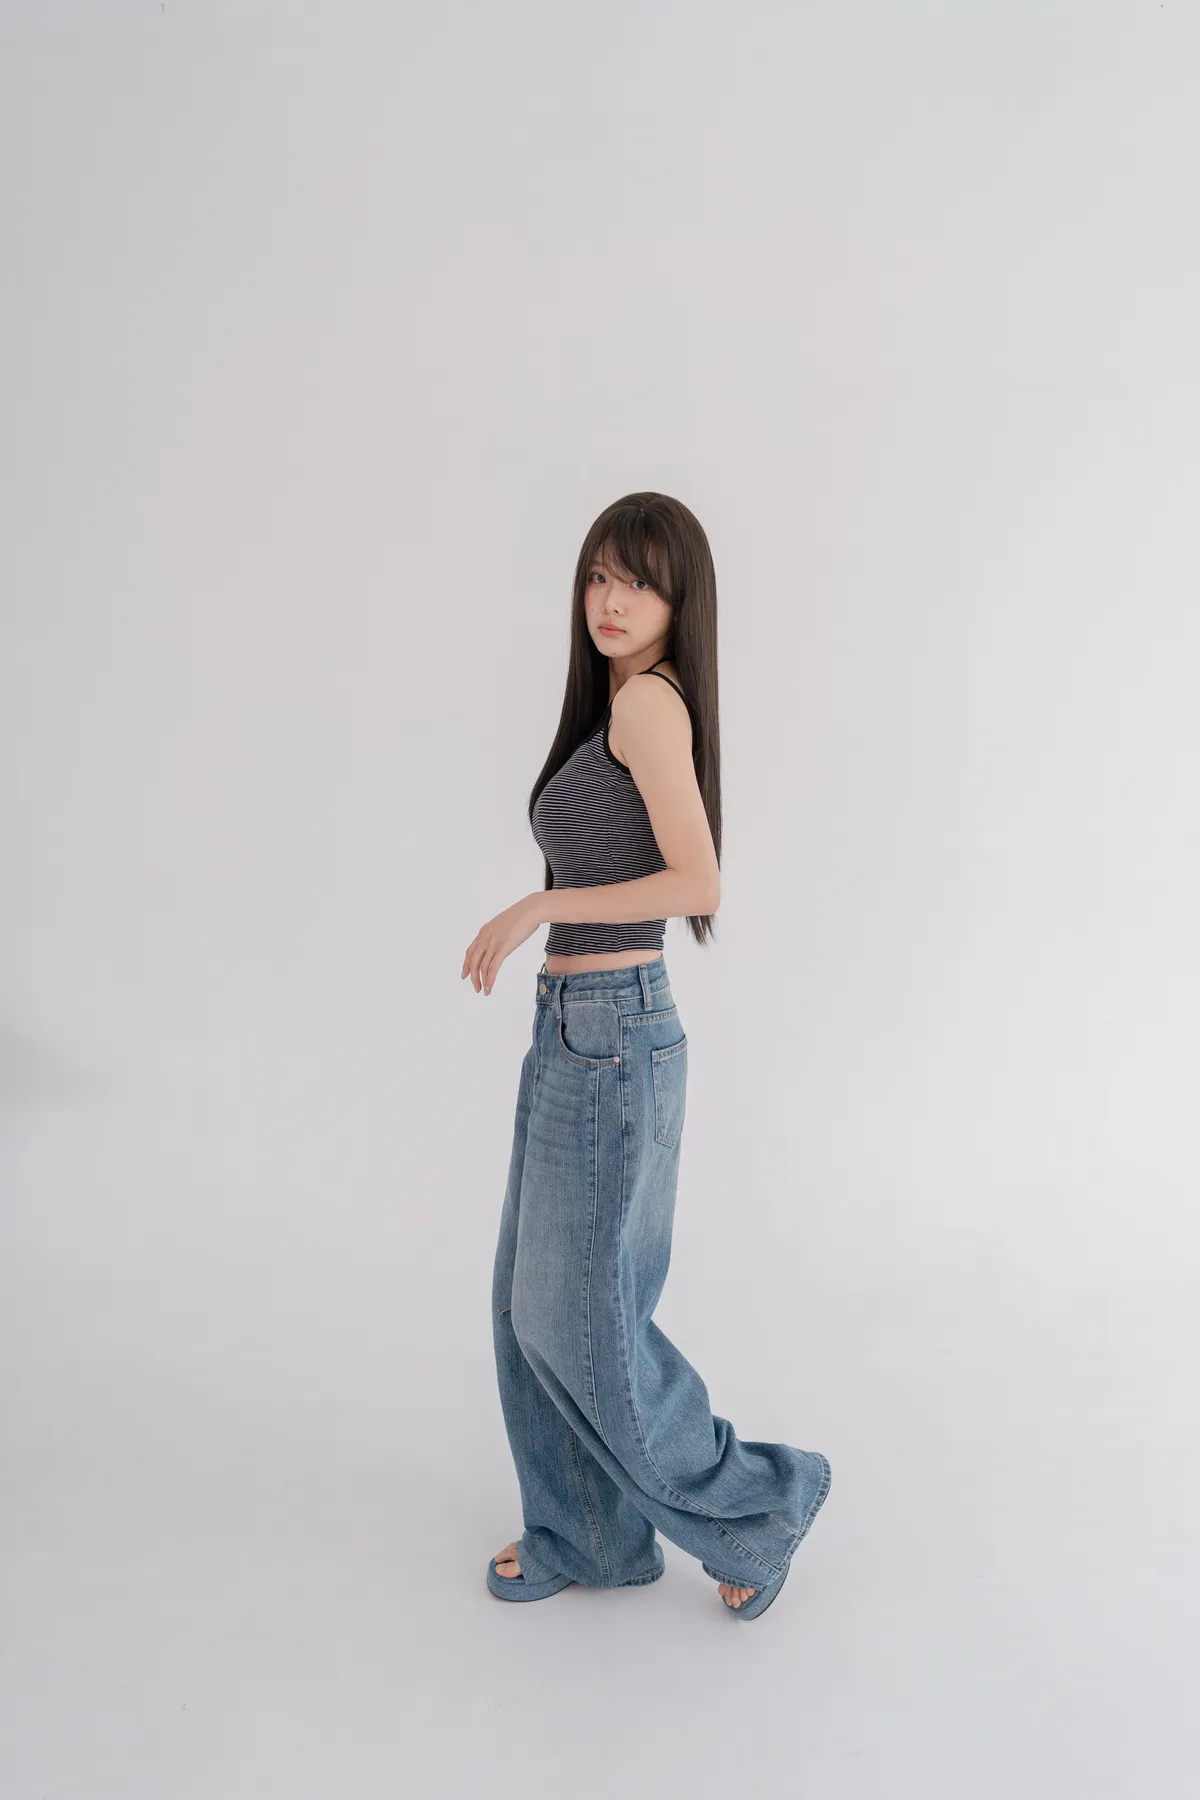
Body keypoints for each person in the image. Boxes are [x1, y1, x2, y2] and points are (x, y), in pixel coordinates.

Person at [461, 491, 831, 1620]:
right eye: (598, 576)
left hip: (612, 1033)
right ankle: (587, 1534)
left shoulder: (648, 706)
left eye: (639, 581)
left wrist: (541, 903)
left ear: (680, 601)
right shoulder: (620, 704)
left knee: (580, 1322)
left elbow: (697, 881)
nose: (611, 600)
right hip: (579, 1030)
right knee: (529, 1310)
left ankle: (760, 1505)